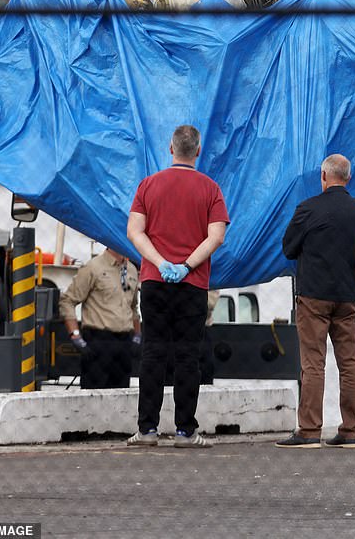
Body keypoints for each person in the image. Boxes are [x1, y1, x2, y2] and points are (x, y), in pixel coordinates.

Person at [126, 124, 229, 449]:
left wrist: (160, 262)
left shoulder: (148, 185)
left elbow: (134, 232)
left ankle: (147, 429)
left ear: (170, 149)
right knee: (188, 356)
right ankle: (186, 431)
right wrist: (186, 266)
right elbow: (216, 236)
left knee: (153, 353)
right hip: (193, 284)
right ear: (198, 151)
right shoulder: (211, 189)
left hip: (155, 281)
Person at [276, 154, 355, 449]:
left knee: (313, 364)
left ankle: (309, 430)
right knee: (350, 364)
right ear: (349, 178)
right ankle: (351, 430)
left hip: (314, 296)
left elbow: (289, 248)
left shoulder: (308, 209)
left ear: (323, 176)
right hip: (347, 297)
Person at [59, 246, 140, 389]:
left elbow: (133, 306)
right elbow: (68, 300)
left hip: (124, 342)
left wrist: (137, 335)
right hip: (99, 340)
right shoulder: (93, 267)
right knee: (94, 396)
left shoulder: (132, 270)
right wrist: (75, 335)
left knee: (120, 398)